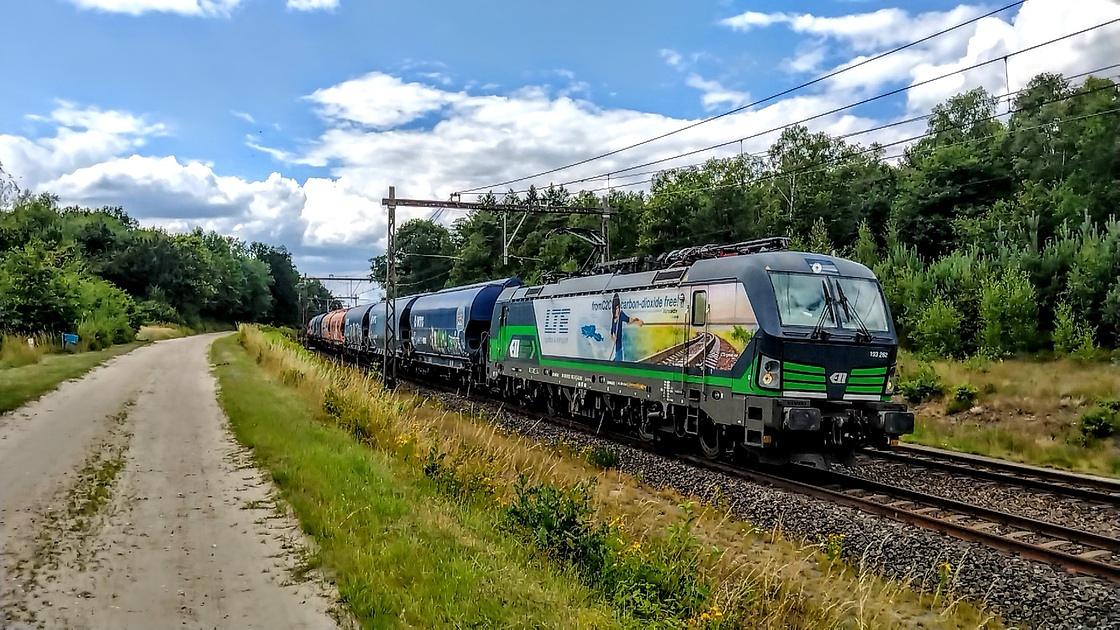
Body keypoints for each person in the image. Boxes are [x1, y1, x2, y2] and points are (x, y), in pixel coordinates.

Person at [609, 294, 643, 361]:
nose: (618, 310)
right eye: (616, 308)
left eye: (618, 307)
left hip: (620, 346)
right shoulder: (613, 318)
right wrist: (613, 337)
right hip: (615, 346)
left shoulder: (621, 315)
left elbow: (629, 320)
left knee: (619, 359)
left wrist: (637, 321)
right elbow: (611, 332)